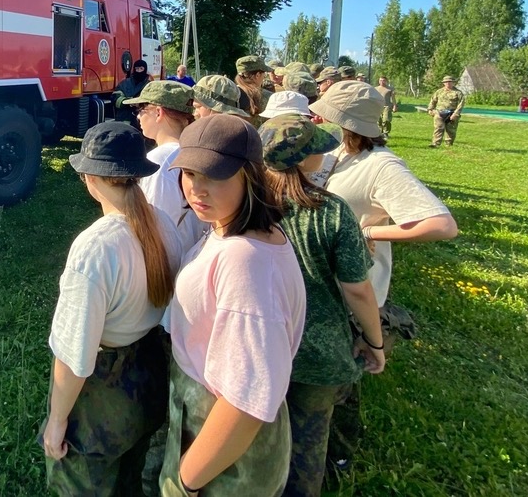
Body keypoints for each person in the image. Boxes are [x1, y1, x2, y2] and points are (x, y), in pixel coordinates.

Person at [308, 80, 457, 464]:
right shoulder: (338, 151)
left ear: (345, 121)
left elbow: (441, 224)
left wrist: (369, 230)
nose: (318, 116)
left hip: (354, 291)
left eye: (326, 112)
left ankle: (337, 458)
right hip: (327, 288)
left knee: (341, 381)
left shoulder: (382, 165)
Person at [162, 115, 307, 495]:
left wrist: (186, 482)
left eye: (215, 175)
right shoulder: (236, 228)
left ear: (251, 176)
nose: (197, 188)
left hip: (225, 459)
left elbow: (246, 402)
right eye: (190, 173)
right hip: (213, 432)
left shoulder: (246, 262)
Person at [42, 121, 179, 495]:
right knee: (129, 478)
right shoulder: (165, 224)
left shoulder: (95, 249)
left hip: (103, 395)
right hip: (150, 373)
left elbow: (74, 356)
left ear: (90, 178)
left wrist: (57, 421)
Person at [258, 115, 386, 497]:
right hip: (318, 352)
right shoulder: (331, 211)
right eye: (314, 147)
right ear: (303, 159)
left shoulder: (246, 204)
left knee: (254, 445)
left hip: (260, 348)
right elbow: (358, 290)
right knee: (306, 452)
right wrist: (374, 342)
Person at [123, 80, 204, 258]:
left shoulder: (158, 162)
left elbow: (156, 228)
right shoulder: (198, 151)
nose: (138, 116)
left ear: (158, 112)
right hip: (193, 254)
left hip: (170, 264)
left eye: (142, 109)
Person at [427, 75, 465, 147]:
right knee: (438, 128)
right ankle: (435, 144)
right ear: (444, 83)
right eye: (446, 82)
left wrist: (455, 114)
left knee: (451, 130)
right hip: (439, 113)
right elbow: (433, 101)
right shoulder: (439, 92)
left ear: (453, 83)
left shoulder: (458, 93)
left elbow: (461, 104)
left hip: (452, 114)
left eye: (450, 82)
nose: (448, 83)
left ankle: (449, 144)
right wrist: (430, 109)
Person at [234, 55, 272, 125]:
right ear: (257, 75)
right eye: (264, 73)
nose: (264, 77)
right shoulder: (269, 97)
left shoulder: (229, 93)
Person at [114, 59, 151, 124]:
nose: (139, 71)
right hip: (124, 117)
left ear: (145, 69)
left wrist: (140, 104)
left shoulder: (149, 85)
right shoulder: (124, 83)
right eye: (137, 69)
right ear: (134, 69)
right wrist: (129, 102)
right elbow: (115, 98)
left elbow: (152, 101)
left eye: (141, 69)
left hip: (142, 119)